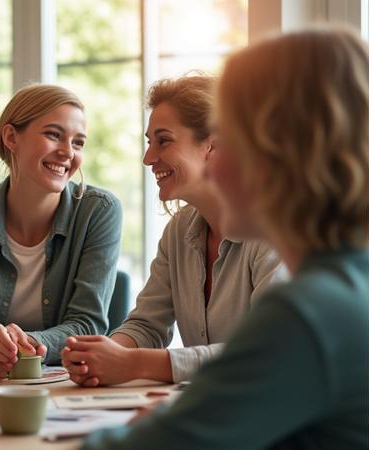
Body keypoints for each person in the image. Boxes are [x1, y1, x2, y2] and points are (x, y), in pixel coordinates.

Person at [82, 26, 368, 449]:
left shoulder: (305, 314)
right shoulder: (350, 285)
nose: (213, 169)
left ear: (277, 156)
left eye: (228, 142)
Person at [61, 76, 287, 385]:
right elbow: (147, 325)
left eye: (163, 141)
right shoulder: (178, 232)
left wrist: (133, 363)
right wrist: (102, 354)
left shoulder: (275, 230)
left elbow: (268, 351)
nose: (148, 158)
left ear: (213, 145)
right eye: (149, 142)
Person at [0, 84, 123, 378]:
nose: (67, 153)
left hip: (63, 382)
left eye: (78, 142)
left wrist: (32, 344)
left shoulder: (99, 211)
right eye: (53, 135)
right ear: (11, 137)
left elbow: (87, 324)